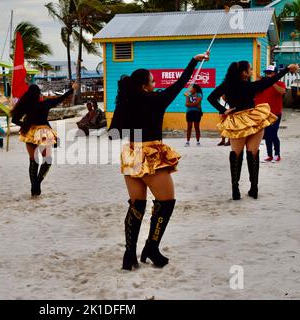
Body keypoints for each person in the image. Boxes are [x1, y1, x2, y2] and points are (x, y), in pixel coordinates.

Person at [109, 51, 210, 270]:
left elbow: (113, 133)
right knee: (166, 203)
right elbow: (181, 82)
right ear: (145, 86)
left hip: (132, 153)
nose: (155, 84)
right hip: (151, 154)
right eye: (152, 81)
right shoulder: (157, 99)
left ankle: (129, 255)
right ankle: (151, 247)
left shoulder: (124, 102)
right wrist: (194, 60)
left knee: (137, 205)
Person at [207, 61, 298, 200]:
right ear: (243, 73)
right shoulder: (251, 86)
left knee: (236, 155)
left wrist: (224, 110)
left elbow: (211, 98)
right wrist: (286, 69)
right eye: (249, 69)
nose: (251, 71)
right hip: (254, 118)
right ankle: (253, 188)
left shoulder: (227, 85)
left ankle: (235, 190)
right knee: (253, 153)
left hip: (237, 120)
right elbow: (271, 80)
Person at [12, 82, 79, 197]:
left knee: (33, 160)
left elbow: (14, 119)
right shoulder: (45, 104)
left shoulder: (25, 105)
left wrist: (26, 125)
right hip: (43, 133)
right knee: (47, 160)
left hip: (30, 132)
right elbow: (60, 98)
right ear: (38, 94)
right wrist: (72, 89)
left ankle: (34, 187)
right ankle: (37, 183)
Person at [255, 65, 286, 162]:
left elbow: (282, 92)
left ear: (275, 74)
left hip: (276, 113)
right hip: (264, 114)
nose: (267, 75)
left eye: (270, 73)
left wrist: (272, 82)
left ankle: (277, 154)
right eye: (266, 73)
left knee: (273, 133)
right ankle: (269, 155)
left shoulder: (280, 83)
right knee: (267, 134)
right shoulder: (262, 84)